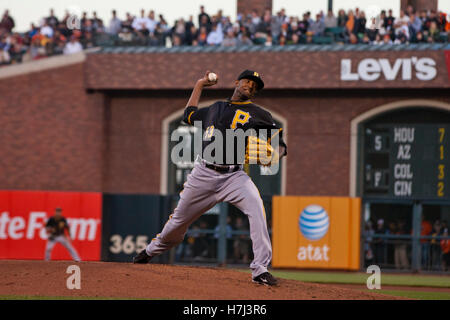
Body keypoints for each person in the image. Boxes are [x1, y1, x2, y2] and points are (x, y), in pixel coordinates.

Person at [134, 69, 287, 286]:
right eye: (247, 81)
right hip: (203, 174)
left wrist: (274, 155)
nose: (250, 86)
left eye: (254, 86)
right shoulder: (215, 108)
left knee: (257, 210)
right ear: (236, 82)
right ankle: (149, 252)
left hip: (234, 176)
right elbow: (188, 114)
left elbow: (280, 145)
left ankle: (260, 269)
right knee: (178, 222)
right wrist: (199, 85)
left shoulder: (260, 114)